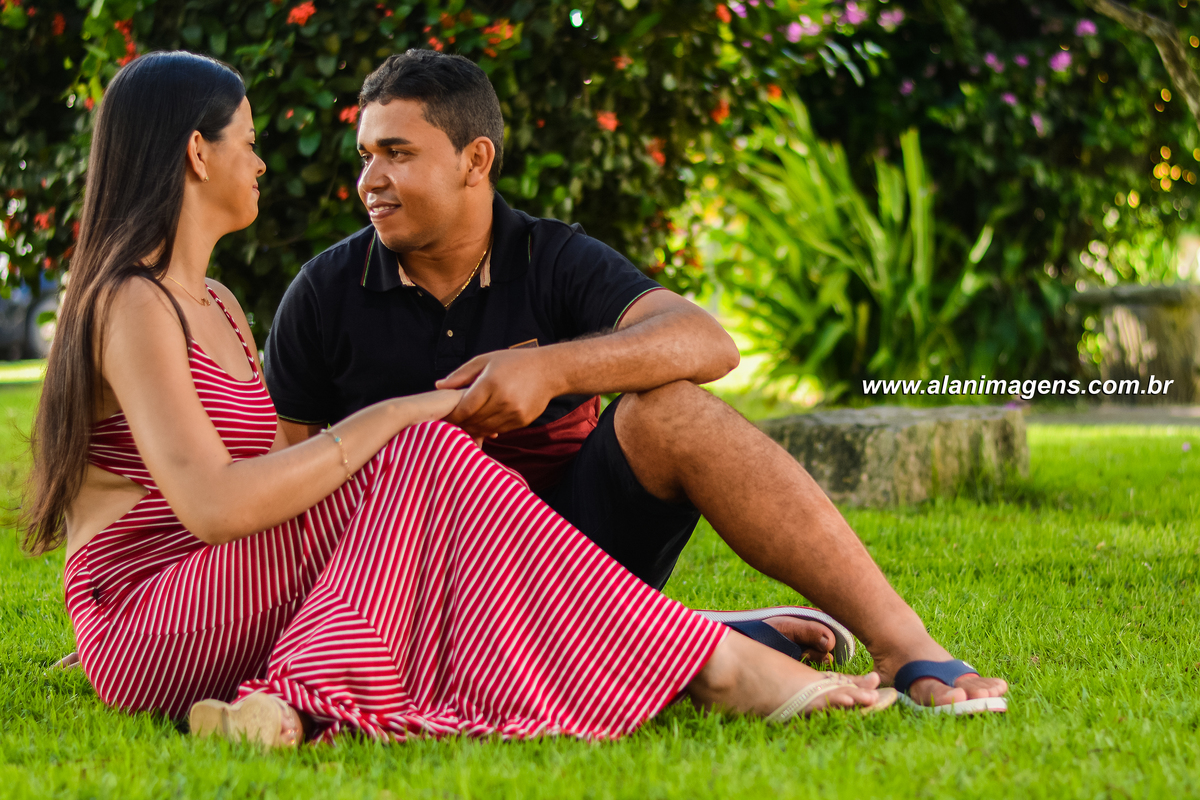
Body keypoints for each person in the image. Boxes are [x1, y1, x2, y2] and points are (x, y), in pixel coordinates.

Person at [23, 51, 897, 749]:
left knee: (416, 467)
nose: (259, 160)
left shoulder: (216, 304)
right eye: (247, 141)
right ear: (195, 151)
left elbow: (280, 503)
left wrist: (536, 377)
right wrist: (398, 416)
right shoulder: (131, 302)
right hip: (159, 617)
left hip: (225, 596)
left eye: (392, 153)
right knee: (422, 449)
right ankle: (712, 659)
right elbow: (217, 508)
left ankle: (291, 703)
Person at [265, 49, 1010, 714]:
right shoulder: (324, 292)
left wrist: (548, 366)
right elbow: (280, 489)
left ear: (476, 159)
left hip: (573, 557)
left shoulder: (552, 257)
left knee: (673, 410)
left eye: (397, 153)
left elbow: (706, 342)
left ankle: (902, 643)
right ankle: (677, 640)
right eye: (365, 155)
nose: (370, 181)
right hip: (410, 591)